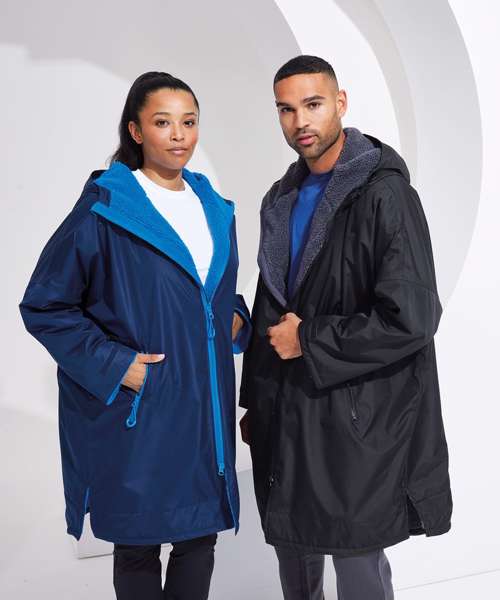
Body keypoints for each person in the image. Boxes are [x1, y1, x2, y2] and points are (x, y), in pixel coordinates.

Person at [19, 71, 251, 600]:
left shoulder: (215, 208)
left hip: (205, 411)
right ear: (136, 130)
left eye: (189, 122)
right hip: (141, 413)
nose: (179, 135)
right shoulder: (107, 208)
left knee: (200, 540)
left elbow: (206, 290)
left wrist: (235, 318)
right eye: (163, 122)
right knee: (138, 545)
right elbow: (45, 304)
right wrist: (115, 364)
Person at [239, 55, 452, 600]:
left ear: (340, 103)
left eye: (312, 104)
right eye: (286, 110)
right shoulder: (280, 199)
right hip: (288, 410)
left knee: (357, 562)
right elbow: (272, 307)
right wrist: (256, 402)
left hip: (356, 417)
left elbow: (412, 318)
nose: (300, 122)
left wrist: (308, 340)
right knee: (293, 553)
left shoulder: (384, 194)